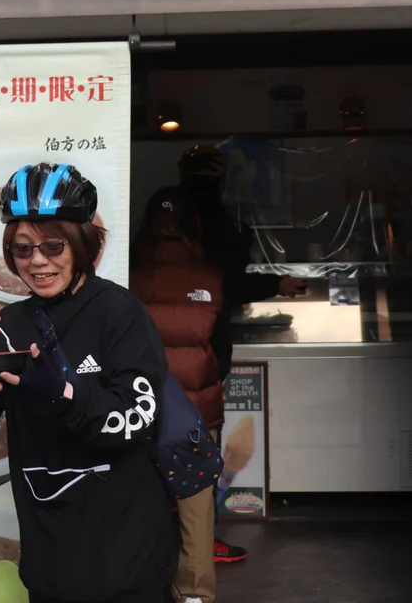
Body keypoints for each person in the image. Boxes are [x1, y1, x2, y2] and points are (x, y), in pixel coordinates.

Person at [0, 162, 175, 603]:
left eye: (53, 245)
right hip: (48, 549)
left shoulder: (118, 312)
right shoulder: (12, 321)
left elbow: (135, 421)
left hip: (127, 549)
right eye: (23, 249)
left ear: (82, 243)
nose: (38, 262)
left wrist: (61, 392)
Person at [129, 186, 224, 603]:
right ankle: (194, 594)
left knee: (136, 505)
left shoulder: (126, 277)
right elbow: (224, 343)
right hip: (196, 410)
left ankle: (139, 588)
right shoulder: (213, 276)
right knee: (196, 511)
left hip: (142, 408)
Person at [177, 145, 261, 564]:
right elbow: (233, 285)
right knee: (201, 451)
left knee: (161, 450)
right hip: (204, 354)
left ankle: (166, 539)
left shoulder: (149, 235)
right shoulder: (218, 225)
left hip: (157, 359)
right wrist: (275, 285)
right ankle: (202, 542)